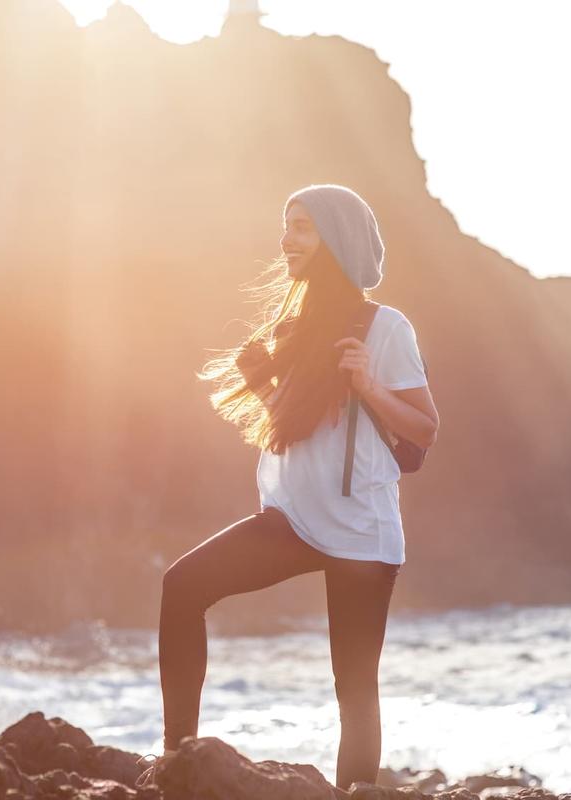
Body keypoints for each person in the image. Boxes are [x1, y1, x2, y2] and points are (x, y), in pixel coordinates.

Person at [135, 184, 440, 792]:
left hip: (360, 534)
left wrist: (369, 388)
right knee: (182, 587)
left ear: (336, 237)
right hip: (290, 521)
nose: (286, 240)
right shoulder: (294, 327)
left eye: (301, 227)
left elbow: (425, 431)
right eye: (287, 225)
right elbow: (299, 427)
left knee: (354, 692)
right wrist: (259, 384)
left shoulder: (386, 327)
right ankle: (178, 761)